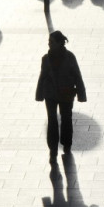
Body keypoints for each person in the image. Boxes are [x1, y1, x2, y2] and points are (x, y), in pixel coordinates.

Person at [35, 31, 87, 161]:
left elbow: (77, 75)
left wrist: (81, 93)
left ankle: (67, 144)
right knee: (52, 120)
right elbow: (42, 76)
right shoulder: (45, 58)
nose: (49, 44)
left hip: (66, 93)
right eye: (49, 41)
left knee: (66, 119)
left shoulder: (70, 57)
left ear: (59, 43)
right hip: (50, 93)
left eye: (52, 42)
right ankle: (53, 149)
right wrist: (39, 93)